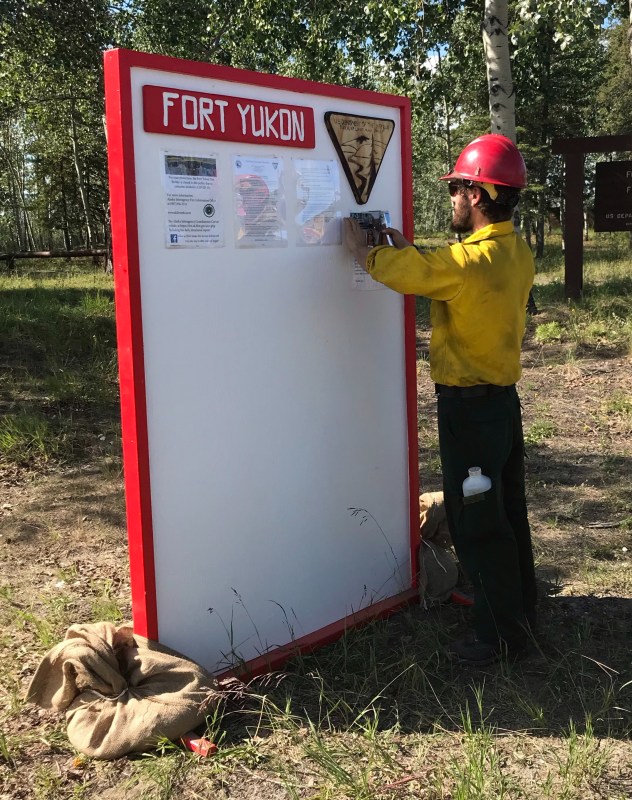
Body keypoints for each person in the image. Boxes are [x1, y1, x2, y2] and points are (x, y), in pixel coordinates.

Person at [344, 133, 537, 666]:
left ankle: (498, 636)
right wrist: (407, 249)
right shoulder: (515, 251)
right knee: (508, 511)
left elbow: (423, 274)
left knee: (477, 521)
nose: (451, 197)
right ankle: (521, 612)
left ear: (477, 194)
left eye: (456, 188)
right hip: (500, 406)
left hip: (469, 413)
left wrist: (366, 251)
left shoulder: (466, 262)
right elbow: (440, 272)